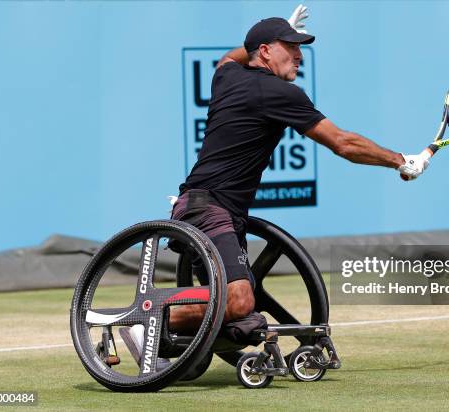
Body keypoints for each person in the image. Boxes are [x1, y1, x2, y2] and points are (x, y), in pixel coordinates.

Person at [122, 5, 429, 363]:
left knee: (246, 322)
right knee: (238, 301)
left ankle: (168, 338)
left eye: (299, 46)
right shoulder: (279, 93)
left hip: (201, 205)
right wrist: (401, 161)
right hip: (212, 211)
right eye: (290, 46)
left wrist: (266, 36)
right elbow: (343, 143)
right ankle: (149, 324)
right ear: (266, 52)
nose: (299, 55)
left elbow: (228, 57)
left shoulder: (227, 77)